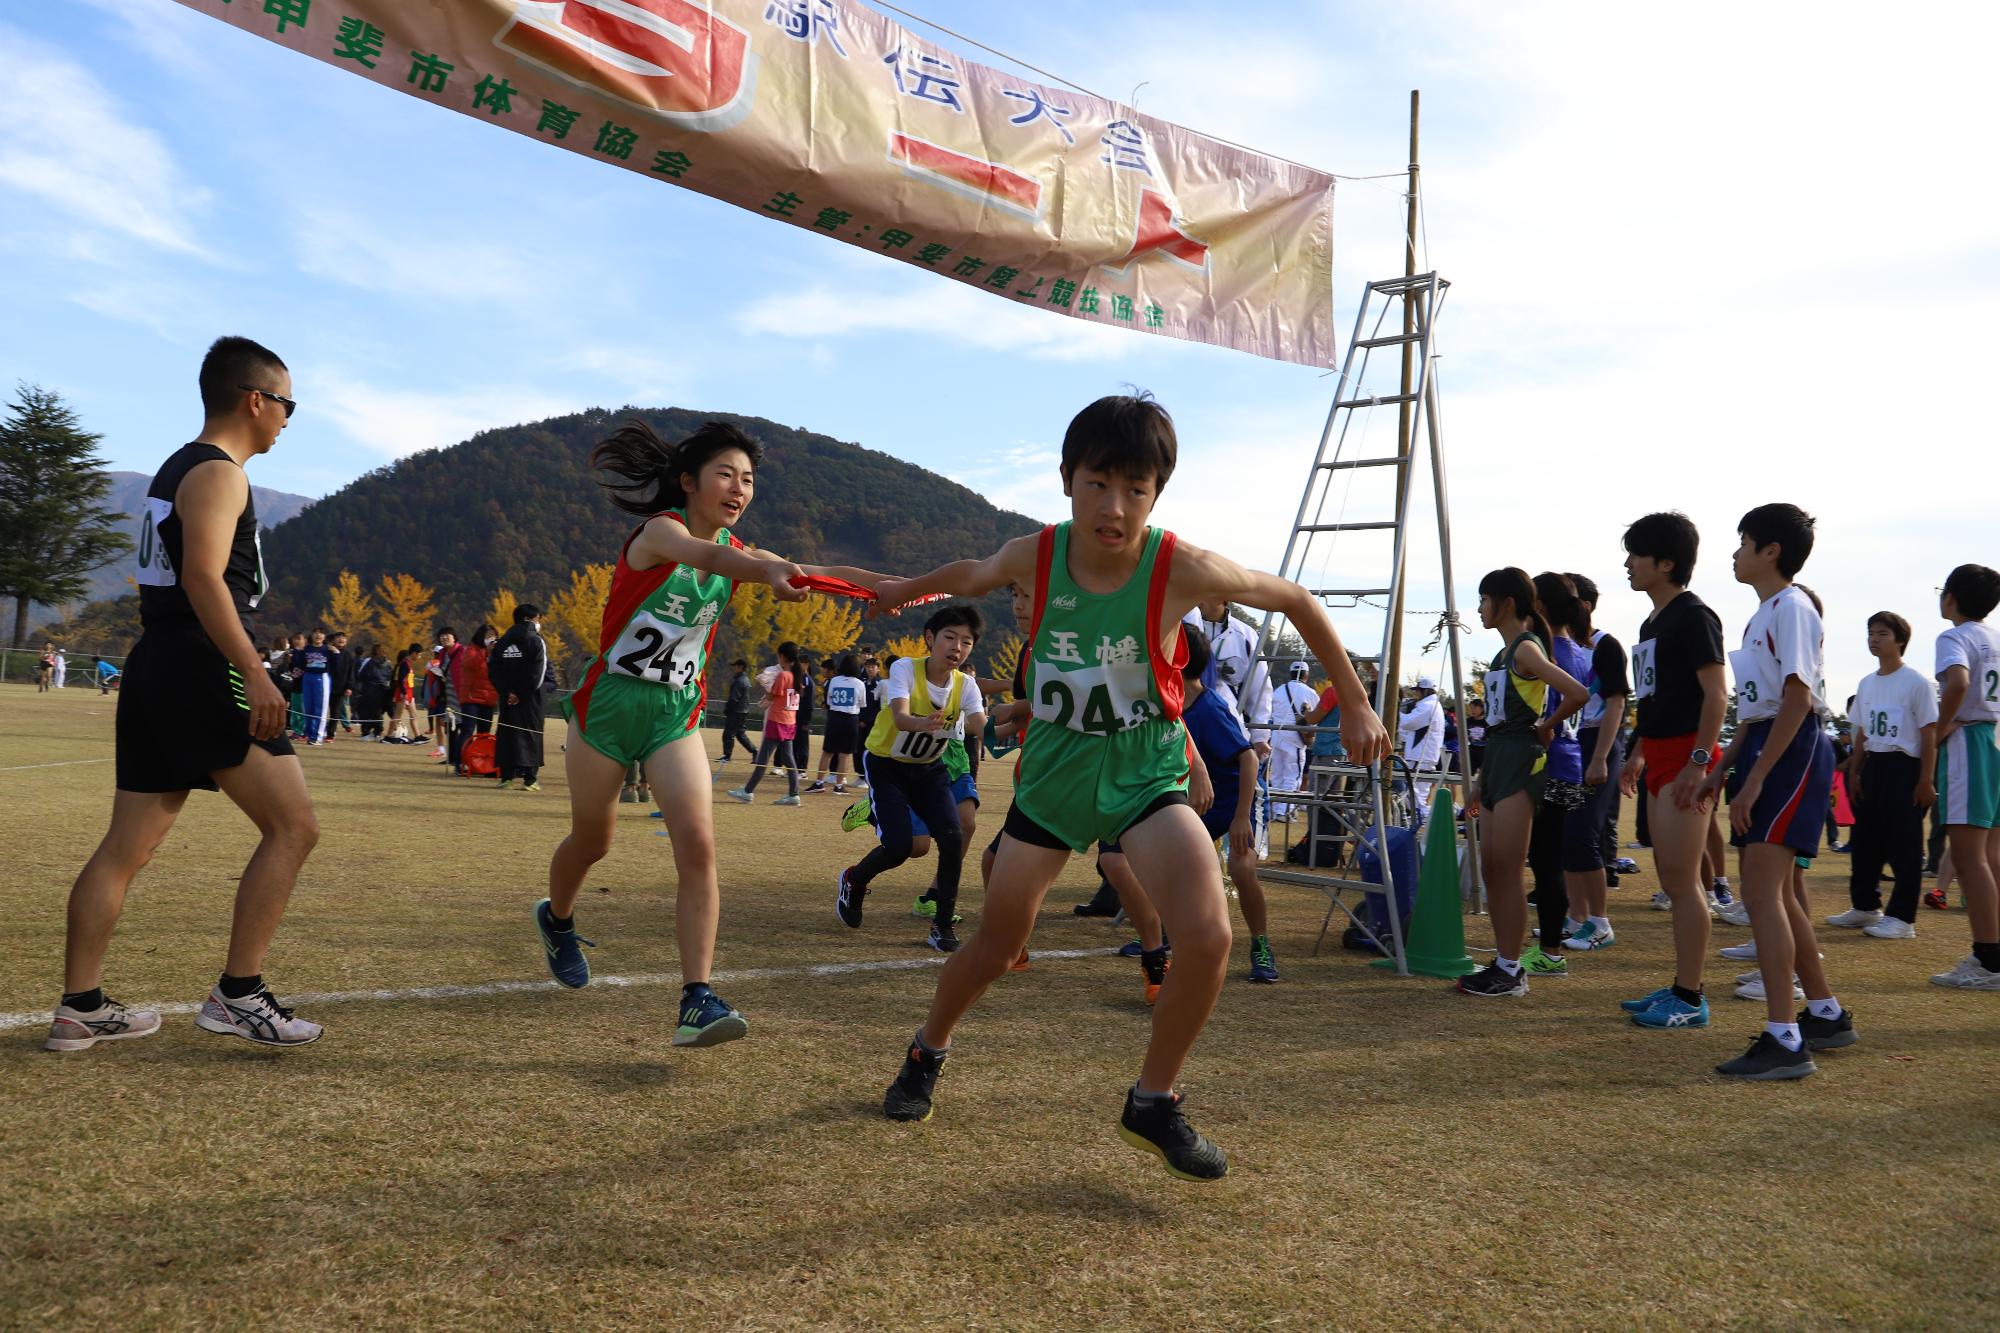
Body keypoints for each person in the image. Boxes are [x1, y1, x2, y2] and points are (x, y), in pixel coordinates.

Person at [869, 393, 1389, 1181]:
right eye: (1098, 485)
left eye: (1136, 489)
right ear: (1068, 479)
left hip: (1145, 773)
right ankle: (926, 1050)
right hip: (1055, 776)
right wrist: (898, 587)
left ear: (1158, 492)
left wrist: (1352, 696)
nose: (1115, 508)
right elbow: (969, 575)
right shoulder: (1035, 555)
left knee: (1209, 936)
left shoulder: (1180, 566)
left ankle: (1154, 1098)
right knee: (998, 946)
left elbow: (1296, 599)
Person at [536, 419, 877, 1047]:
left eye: (748, 480)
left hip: (674, 714)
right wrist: (765, 571)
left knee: (698, 845)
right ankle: (556, 918)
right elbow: (715, 558)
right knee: (594, 841)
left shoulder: (741, 549)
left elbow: (795, 565)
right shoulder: (661, 533)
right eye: (726, 474)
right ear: (689, 481)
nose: (739, 488)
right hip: (608, 708)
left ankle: (697, 998)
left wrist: (874, 587)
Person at [45, 335, 322, 1053]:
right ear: (254, 399)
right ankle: (239, 993)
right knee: (294, 827)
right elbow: (203, 577)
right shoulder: (218, 471)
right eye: (288, 403)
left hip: (158, 662)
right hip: (201, 662)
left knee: (125, 845)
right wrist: (254, 669)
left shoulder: (178, 467)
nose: (291, 418)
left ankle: (80, 1006)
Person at [1695, 504, 1854, 1078]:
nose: (1735, 553)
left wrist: (1757, 778)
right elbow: (1759, 711)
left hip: (1792, 752)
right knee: (1779, 894)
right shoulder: (1765, 612)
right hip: (1770, 746)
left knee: (1762, 893)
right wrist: (1724, 768)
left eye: (1743, 542)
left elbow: (1796, 697)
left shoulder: (1791, 606)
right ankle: (1826, 1013)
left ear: (1771, 552)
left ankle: (1785, 1039)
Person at [1616, 514, 1731, 1030]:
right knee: (1670, 877)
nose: (1627, 564)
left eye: (1636, 556)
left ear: (1666, 563)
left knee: (1684, 883)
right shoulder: (1651, 624)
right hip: (1661, 753)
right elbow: (1654, 698)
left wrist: (1699, 762)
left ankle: (1690, 996)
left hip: (1689, 756)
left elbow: (1717, 695)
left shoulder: (1695, 616)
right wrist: (1639, 752)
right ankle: (1681, 984)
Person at [1456, 568, 1587, 998]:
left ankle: (1512, 971)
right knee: (1494, 870)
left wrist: (1547, 726)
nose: (1478, 608)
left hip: (1521, 763)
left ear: (1507, 602)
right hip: (1497, 761)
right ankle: (1503, 961)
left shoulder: (1525, 649)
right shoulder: (1502, 655)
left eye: (1483, 599)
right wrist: (1478, 783)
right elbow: (1496, 720)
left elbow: (1577, 693)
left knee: (1508, 871)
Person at [835, 605, 988, 950]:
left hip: (929, 769)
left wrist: (1026, 725)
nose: (957, 648)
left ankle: (942, 925)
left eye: (966, 642)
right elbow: (901, 717)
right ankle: (854, 880)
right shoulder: (905, 668)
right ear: (930, 638)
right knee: (902, 847)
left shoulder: (966, 685)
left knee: (953, 836)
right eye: (950, 637)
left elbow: (982, 727)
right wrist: (923, 723)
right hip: (887, 765)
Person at [1179, 632, 1280, 982]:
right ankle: (1164, 934)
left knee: (1240, 868)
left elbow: (1249, 759)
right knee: (1170, 863)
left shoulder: (1209, 708)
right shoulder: (1167, 701)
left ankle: (1261, 946)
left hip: (1241, 796)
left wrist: (1241, 818)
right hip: (1202, 800)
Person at [1832, 612, 1938, 939]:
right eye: (1871, 633)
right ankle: (1865, 907)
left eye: (1882, 634)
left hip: (1904, 766)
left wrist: (1925, 780)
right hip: (1874, 765)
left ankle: (1902, 919)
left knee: (1904, 844)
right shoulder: (1867, 683)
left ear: (1900, 640)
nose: (1874, 639)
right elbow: (1861, 730)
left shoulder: (1917, 683)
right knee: (1865, 841)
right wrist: (1855, 769)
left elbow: (1929, 734)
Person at [1927, 563, 2000, 989]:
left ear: (1950, 597)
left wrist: (1940, 728)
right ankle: (1992, 954)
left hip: (1971, 744)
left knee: (1970, 857)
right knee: (1990, 856)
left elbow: (1957, 682)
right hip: (1995, 740)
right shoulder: (1995, 637)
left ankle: (1989, 959)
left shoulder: (1954, 636)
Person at [1519, 573, 1596, 977]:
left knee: (1544, 862)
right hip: (1570, 764)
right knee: (1549, 862)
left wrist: (1544, 725)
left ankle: (1548, 951)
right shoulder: (1582, 651)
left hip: (1549, 764)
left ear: (1541, 606)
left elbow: (1568, 699)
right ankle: (1549, 946)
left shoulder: (1550, 653)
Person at [1556, 575, 1630, 953]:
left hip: (1598, 742)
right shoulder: (1558, 647)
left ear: (1583, 605)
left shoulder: (1605, 645)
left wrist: (1601, 757)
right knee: (1569, 834)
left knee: (1585, 833)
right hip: (1570, 744)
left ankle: (1600, 923)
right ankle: (1576, 918)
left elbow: (1616, 702)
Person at [729, 642, 805, 805]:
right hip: (790, 721)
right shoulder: (796, 675)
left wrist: (765, 688)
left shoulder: (783, 676)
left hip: (777, 720)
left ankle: (748, 791)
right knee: (789, 759)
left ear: (783, 656)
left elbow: (772, 696)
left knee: (763, 758)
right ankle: (794, 793)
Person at [491, 604, 552, 790]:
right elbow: (538, 673)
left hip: (507, 699)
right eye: (538, 619)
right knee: (531, 734)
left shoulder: (502, 642)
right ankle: (530, 780)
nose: (539, 623)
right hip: (531, 700)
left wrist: (507, 692)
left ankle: (507, 777)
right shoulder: (536, 641)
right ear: (529, 619)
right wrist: (522, 694)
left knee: (507, 734)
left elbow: (494, 671)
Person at [808, 652, 866, 794]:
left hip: (834, 718)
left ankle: (819, 783)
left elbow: (829, 700)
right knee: (844, 755)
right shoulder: (859, 683)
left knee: (827, 752)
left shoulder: (834, 681)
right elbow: (862, 704)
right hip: (851, 720)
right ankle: (839, 786)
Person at [1266, 660, 1316, 822]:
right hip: (1295, 738)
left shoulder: (1279, 691)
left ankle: (1274, 810)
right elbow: (1314, 717)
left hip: (1276, 737)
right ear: (1306, 675)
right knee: (1293, 775)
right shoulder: (1310, 693)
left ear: (1291, 674)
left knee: (1277, 775)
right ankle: (1284, 811)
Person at [1397, 675, 1448, 820]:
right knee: (1413, 797)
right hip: (1420, 756)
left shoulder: (1428, 706)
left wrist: (1396, 712)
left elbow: (1408, 723)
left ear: (1426, 691)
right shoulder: (1428, 705)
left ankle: (1448, 813)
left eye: (1418, 690)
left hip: (1421, 757)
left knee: (1417, 799)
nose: (1416, 693)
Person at [453, 623, 500, 772]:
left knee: (484, 734)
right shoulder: (471, 650)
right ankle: (460, 762)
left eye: (493, 636)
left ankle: (480, 762)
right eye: (487, 636)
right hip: (471, 698)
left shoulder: (496, 653)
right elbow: (471, 664)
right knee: (467, 730)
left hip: (489, 698)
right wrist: (485, 651)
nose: (491, 639)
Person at [297, 628, 334, 745]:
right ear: (311, 635)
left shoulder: (328, 650)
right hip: (307, 676)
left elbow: (337, 665)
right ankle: (308, 734)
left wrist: (336, 652)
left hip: (321, 677)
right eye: (315, 633)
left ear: (324, 636)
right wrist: (297, 652)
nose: (318, 635)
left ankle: (317, 736)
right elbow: (299, 665)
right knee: (308, 707)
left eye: (321, 633)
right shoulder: (306, 649)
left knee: (319, 708)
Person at [718, 657, 754, 765]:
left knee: (728, 734)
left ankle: (727, 756)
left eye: (736, 666)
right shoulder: (746, 680)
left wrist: (728, 709)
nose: (734, 668)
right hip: (743, 711)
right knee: (740, 735)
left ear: (741, 667)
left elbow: (734, 698)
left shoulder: (739, 681)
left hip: (736, 711)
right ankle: (755, 751)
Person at [352, 641, 391, 739]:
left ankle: (366, 732)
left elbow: (360, 675)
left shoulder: (369, 661)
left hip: (369, 690)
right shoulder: (388, 663)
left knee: (366, 712)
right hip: (383, 690)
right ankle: (378, 731)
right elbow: (390, 676)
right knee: (378, 712)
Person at [793, 651, 817, 776]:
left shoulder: (807, 681)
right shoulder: (800, 679)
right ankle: (796, 768)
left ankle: (802, 770)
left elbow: (809, 704)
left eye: (800, 663)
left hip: (803, 718)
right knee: (796, 742)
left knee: (802, 743)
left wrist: (807, 721)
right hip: (796, 717)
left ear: (806, 664)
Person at [328, 630, 356, 736]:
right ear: (334, 640)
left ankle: (330, 733)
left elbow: (351, 673)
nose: (341, 639)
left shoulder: (348, 656)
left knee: (335, 711)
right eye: (338, 637)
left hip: (340, 687)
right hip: (326, 685)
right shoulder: (328, 653)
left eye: (343, 638)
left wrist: (349, 687)